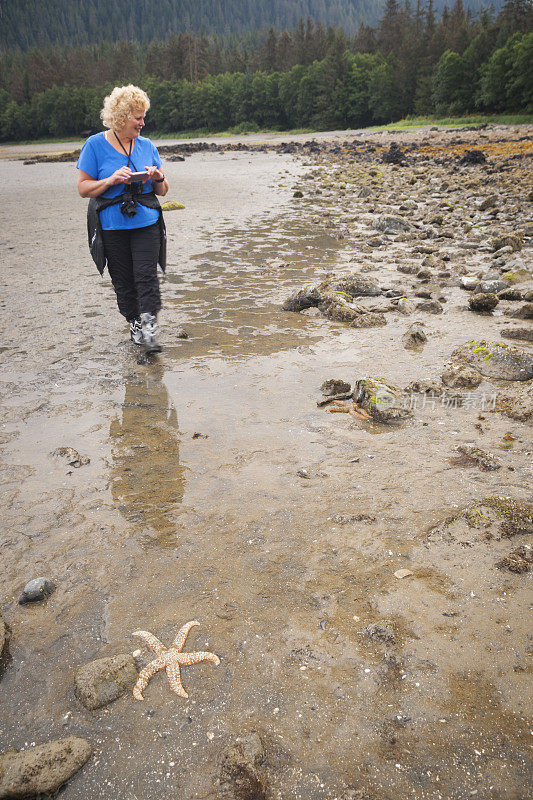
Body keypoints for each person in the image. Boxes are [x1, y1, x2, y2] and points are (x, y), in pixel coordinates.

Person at [77, 84, 169, 353]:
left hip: (146, 223)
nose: (143, 123)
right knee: (124, 281)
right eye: (137, 118)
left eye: (143, 117)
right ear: (120, 117)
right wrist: (110, 180)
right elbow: (83, 188)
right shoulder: (94, 145)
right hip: (112, 227)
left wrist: (157, 177)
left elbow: (163, 190)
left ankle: (150, 330)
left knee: (145, 275)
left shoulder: (147, 145)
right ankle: (135, 325)